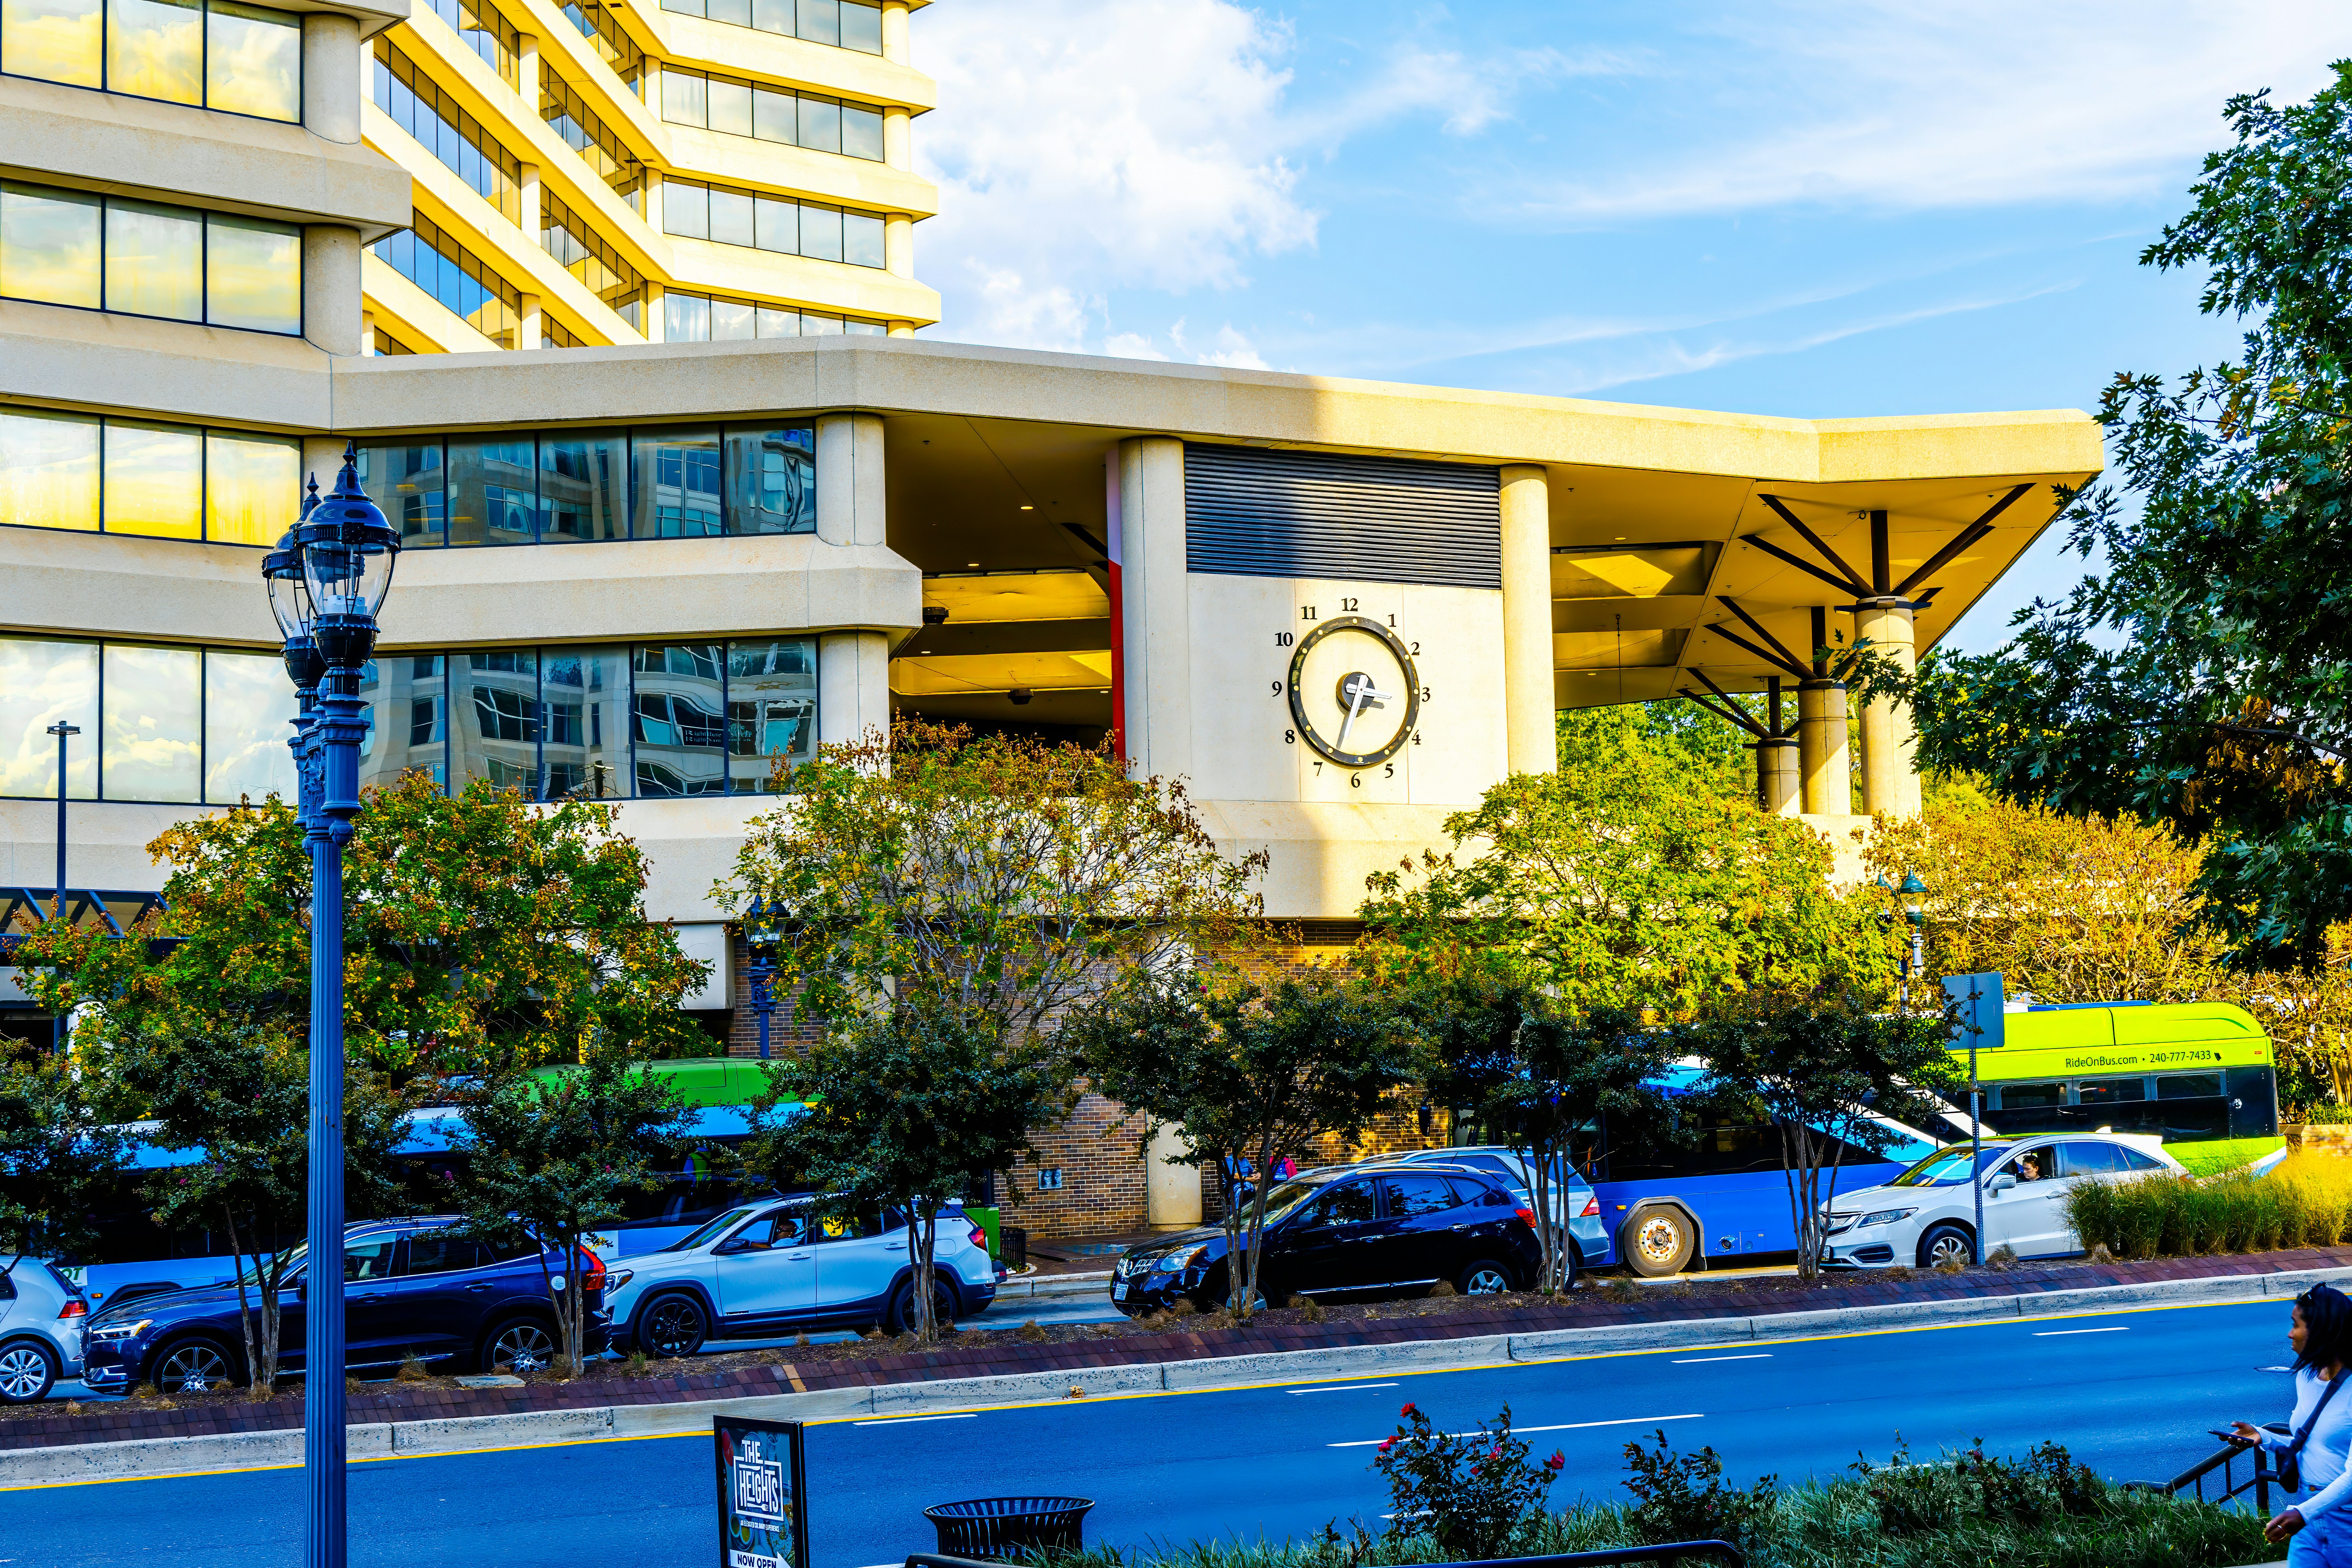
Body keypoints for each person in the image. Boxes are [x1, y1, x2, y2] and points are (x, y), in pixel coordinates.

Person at [2232, 1284, 2352, 1564]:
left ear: (2321, 1331)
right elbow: (2313, 1445)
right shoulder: (2307, 1378)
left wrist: (2303, 1513)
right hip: (2307, 1517)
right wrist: (2264, 1436)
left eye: (2296, 1325)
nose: (2290, 1333)